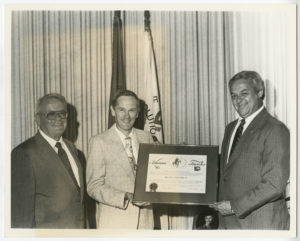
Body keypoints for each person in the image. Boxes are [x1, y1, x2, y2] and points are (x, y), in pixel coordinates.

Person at [210, 71, 290, 229]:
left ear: (260, 92)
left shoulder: (275, 129)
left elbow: (274, 184)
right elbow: (228, 174)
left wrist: (234, 206)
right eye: (233, 96)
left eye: (244, 93)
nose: (238, 100)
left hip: (260, 224)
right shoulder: (231, 128)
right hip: (229, 225)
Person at [11, 93, 85, 228]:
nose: (58, 118)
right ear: (38, 120)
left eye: (62, 114)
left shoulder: (72, 149)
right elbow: (21, 216)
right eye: (51, 114)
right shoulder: (23, 153)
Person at [86, 90, 154, 229]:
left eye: (132, 110)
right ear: (113, 111)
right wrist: (126, 196)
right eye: (121, 110)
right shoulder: (99, 141)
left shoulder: (147, 138)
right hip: (114, 221)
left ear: (138, 112)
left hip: (145, 222)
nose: (127, 116)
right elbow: (94, 186)